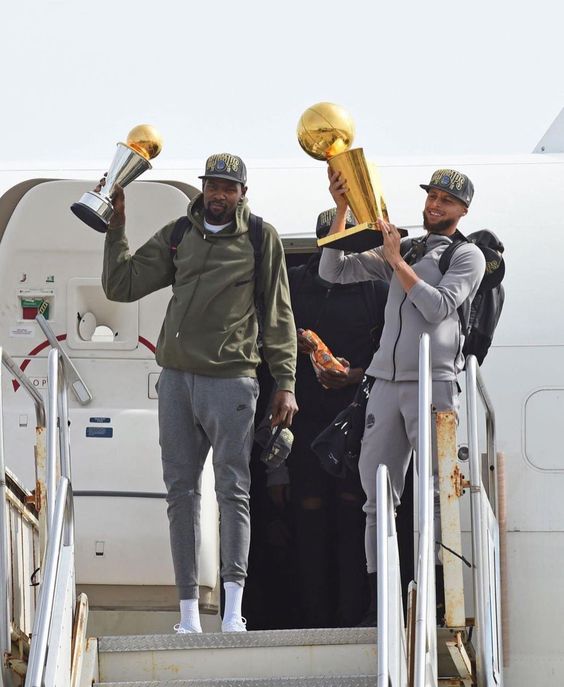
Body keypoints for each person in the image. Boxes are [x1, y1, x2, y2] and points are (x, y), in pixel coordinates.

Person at [100, 153, 298, 633]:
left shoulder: (259, 237)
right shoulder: (178, 234)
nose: (219, 195)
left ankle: (233, 612)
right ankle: (187, 613)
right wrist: (116, 225)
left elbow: (277, 314)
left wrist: (286, 382)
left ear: (242, 194)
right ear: (203, 187)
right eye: (213, 185)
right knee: (181, 495)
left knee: (233, 492)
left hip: (231, 379)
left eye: (229, 188)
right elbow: (120, 285)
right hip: (175, 380)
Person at [319, 168, 486, 625]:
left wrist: (396, 262)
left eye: (446, 201)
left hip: (433, 381)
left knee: (436, 490)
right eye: (432, 196)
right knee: (376, 490)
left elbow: (437, 307)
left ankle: (435, 597)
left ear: (463, 211)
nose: (435, 205)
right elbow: (331, 269)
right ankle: (382, 599)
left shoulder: (467, 255)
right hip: (386, 382)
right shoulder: (408, 247)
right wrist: (342, 211)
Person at [281, 208, 388, 628]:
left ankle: (350, 612)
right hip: (306, 416)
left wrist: (356, 373)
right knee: (308, 518)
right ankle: (312, 618)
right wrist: (304, 346)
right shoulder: (294, 284)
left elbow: (393, 342)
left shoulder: (375, 287)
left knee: (351, 515)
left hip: (355, 416)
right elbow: (269, 335)